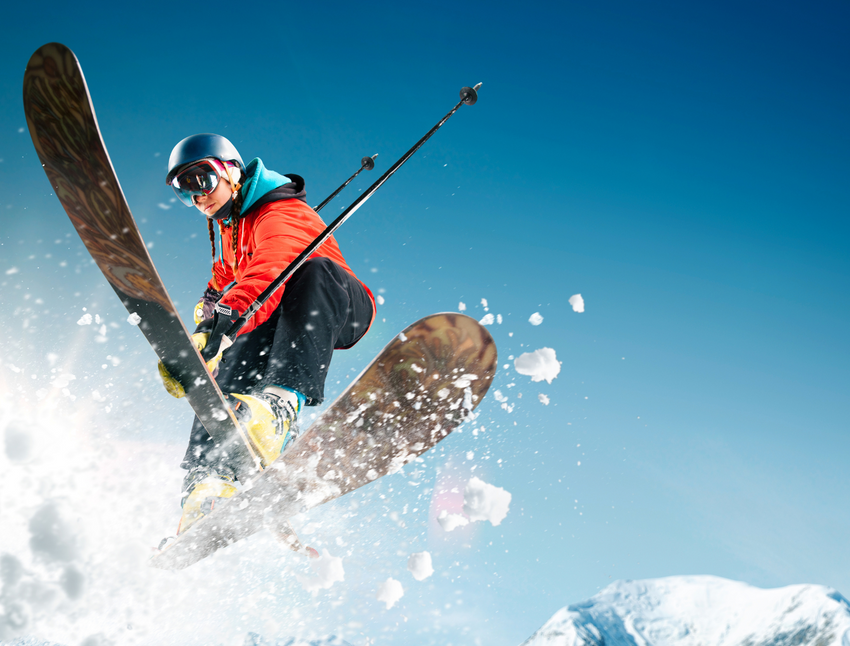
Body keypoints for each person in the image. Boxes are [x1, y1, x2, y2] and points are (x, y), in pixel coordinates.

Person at [158, 134, 375, 533]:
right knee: (223, 378)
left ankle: (279, 407)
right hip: (273, 314)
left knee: (307, 274)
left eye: (201, 180)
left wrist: (219, 324)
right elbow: (224, 281)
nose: (196, 197)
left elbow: (269, 270)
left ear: (231, 171)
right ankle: (208, 482)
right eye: (182, 190)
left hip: (336, 303)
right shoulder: (226, 228)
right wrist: (204, 324)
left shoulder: (281, 211)